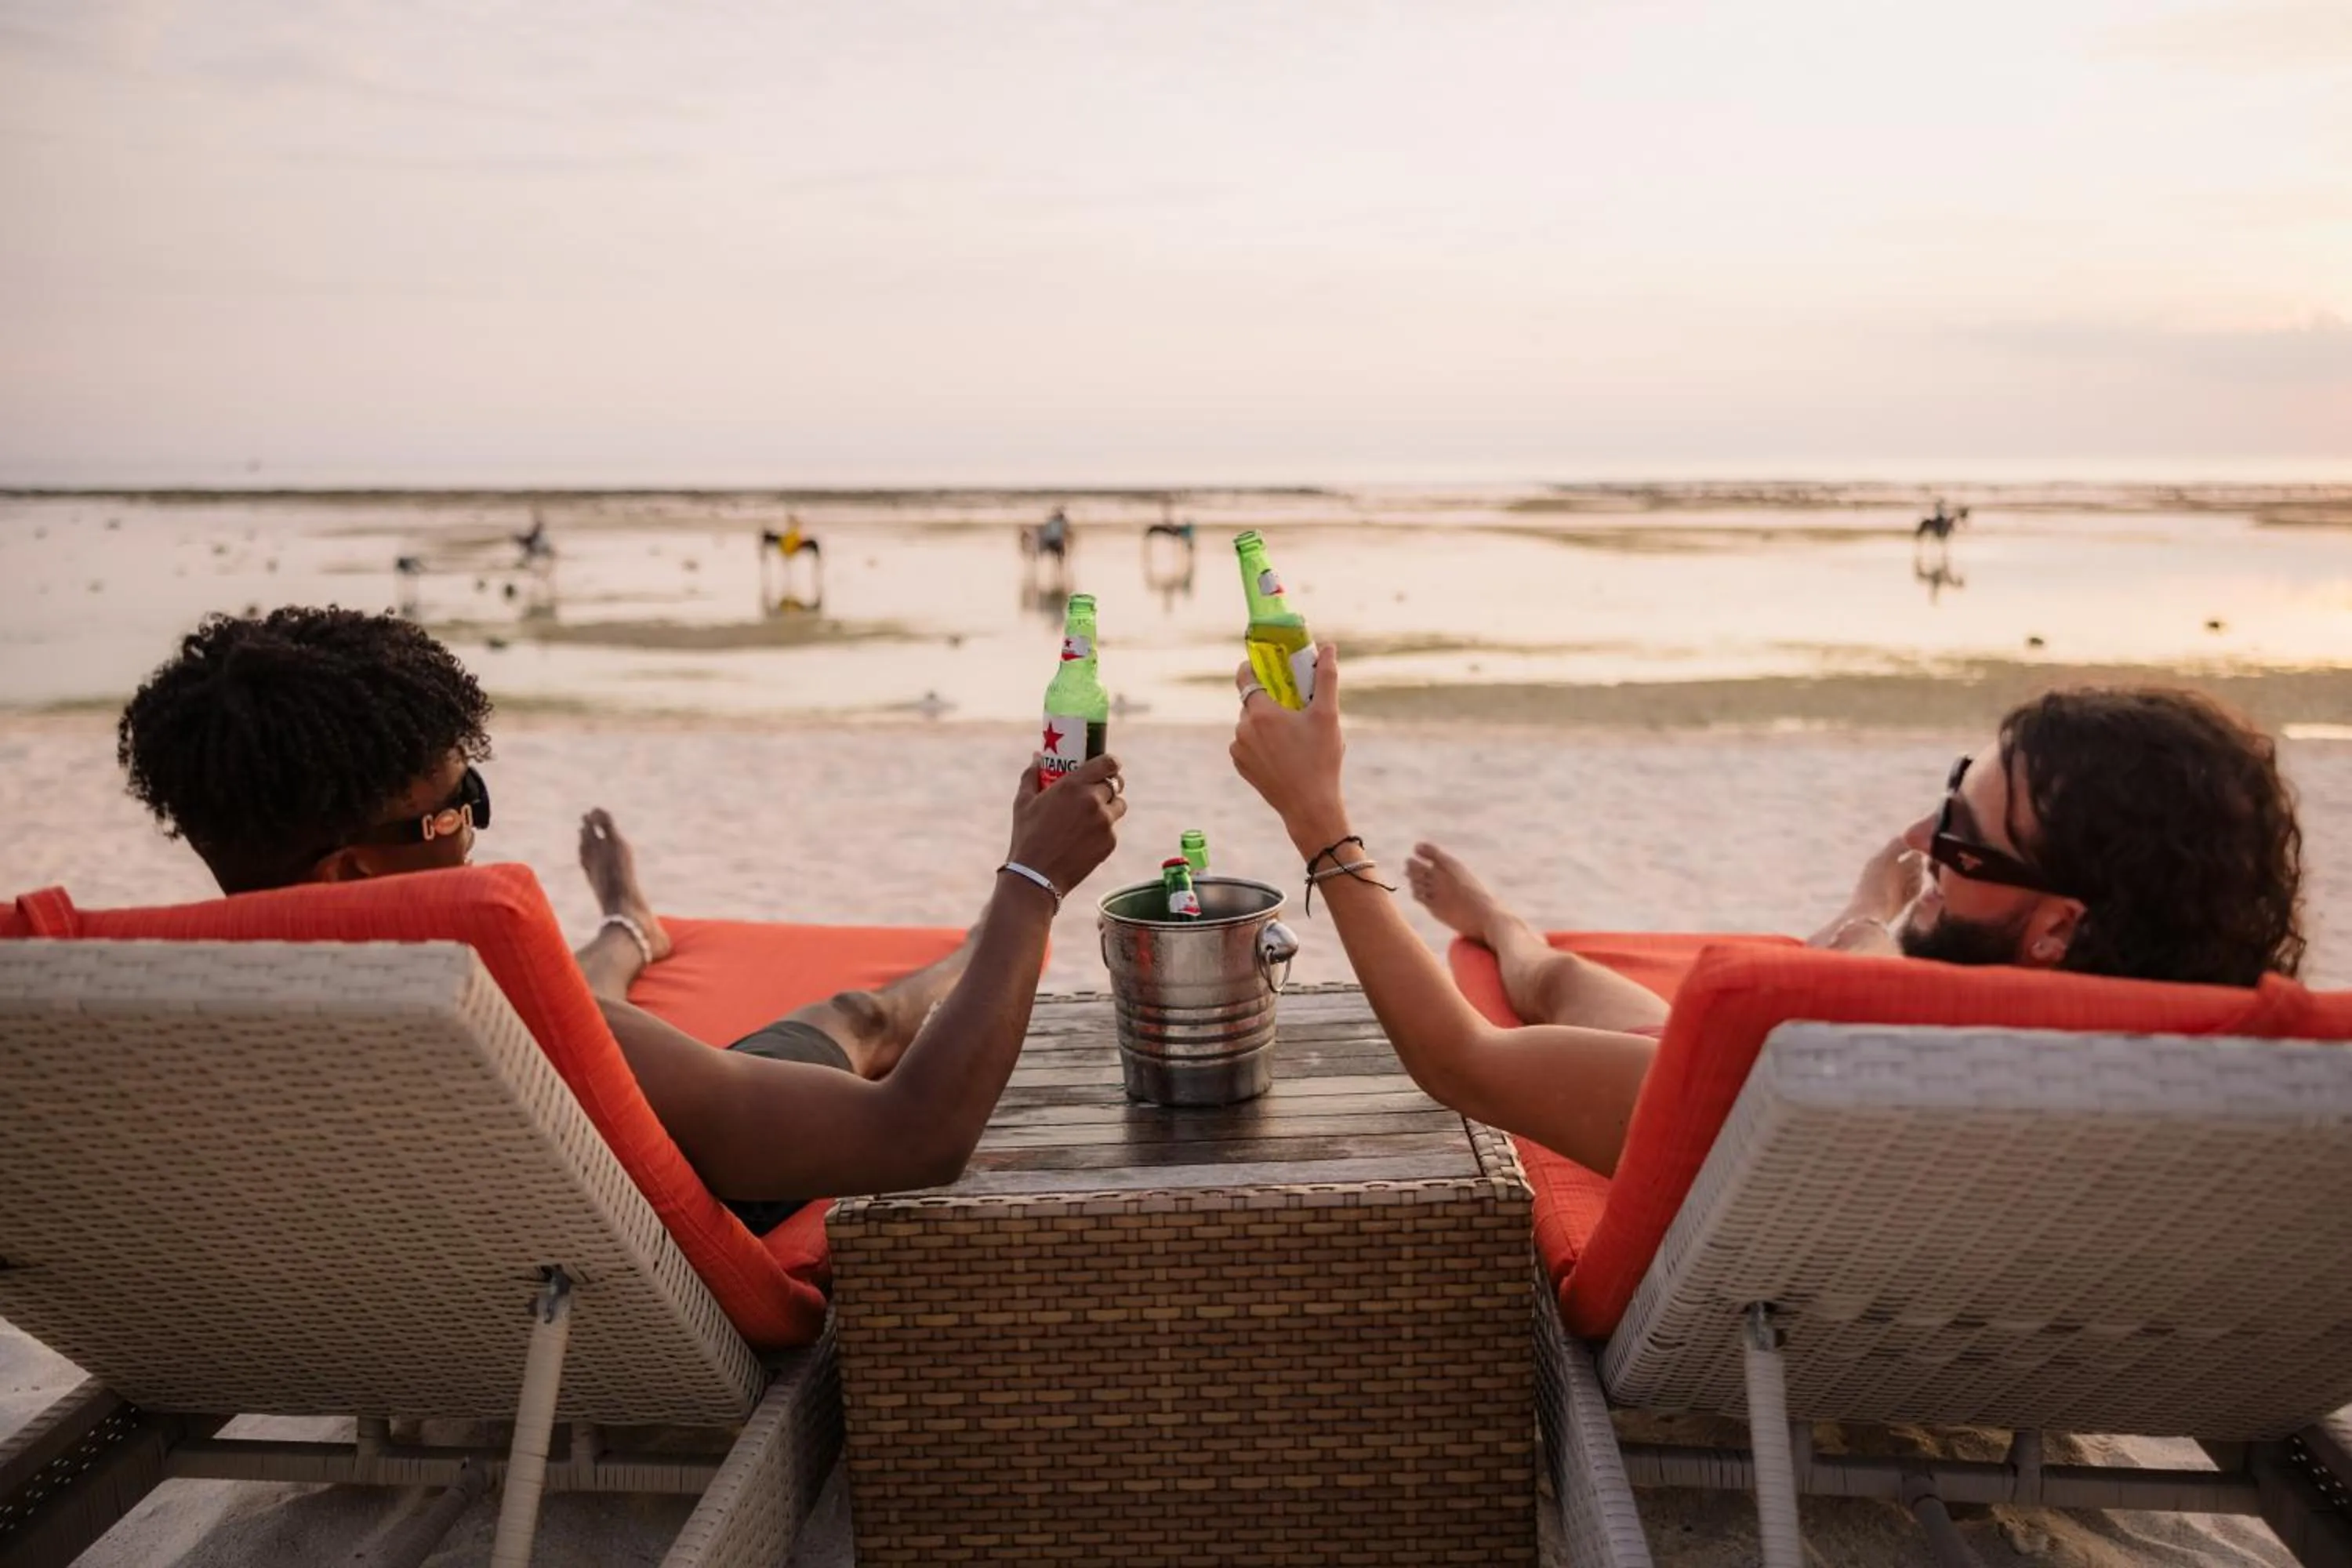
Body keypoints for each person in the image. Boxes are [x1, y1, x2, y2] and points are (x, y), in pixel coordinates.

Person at [115, 606, 1126, 1222]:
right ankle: (972, 944)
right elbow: (916, 1140)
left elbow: (577, 1024)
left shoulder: (153, 1011)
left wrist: (620, 933)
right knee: (859, 1017)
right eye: (456, 808)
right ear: (347, 873)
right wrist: (1030, 887)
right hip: (609, 1258)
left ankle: (628, 930)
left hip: (392, 1287)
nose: (473, 830)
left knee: (597, 998)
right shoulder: (473, 1017)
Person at [1228, 645, 2305, 1177]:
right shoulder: (2208, 1079)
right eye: (1948, 795)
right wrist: (1874, 914)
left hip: (1797, 1267)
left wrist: (1317, 816)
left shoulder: (1839, 1077)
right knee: (1566, 980)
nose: (1925, 837)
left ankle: (1514, 935)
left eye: (1961, 836)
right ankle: (1511, 928)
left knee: (1553, 988)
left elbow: (1461, 1060)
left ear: (2058, 928)